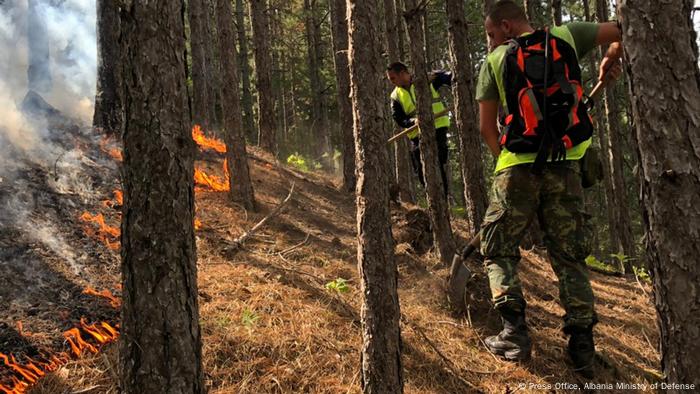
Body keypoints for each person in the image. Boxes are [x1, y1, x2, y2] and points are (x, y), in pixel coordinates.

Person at [475, 0, 623, 378]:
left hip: (516, 167)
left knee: (497, 248)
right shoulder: (568, 35)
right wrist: (610, 57)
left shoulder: (493, 62)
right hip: (567, 167)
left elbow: (487, 130)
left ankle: (514, 333)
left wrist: (506, 163)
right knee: (569, 255)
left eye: (491, 34)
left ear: (506, 27)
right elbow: (624, 27)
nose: (490, 42)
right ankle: (582, 349)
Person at [387, 62, 451, 198]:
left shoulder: (425, 79)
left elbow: (448, 77)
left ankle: (443, 200)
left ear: (403, 73)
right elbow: (398, 118)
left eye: (393, 78)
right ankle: (433, 200)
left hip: (438, 127)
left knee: (438, 164)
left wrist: (443, 75)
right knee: (420, 169)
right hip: (416, 134)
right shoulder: (395, 96)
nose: (392, 82)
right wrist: (412, 121)